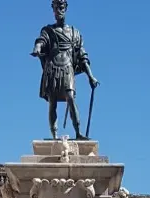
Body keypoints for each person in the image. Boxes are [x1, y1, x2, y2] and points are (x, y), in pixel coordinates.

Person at [31, 0, 100, 140]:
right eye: (56, 8)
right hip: (53, 68)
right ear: (53, 10)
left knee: (70, 97)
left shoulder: (75, 32)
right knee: (53, 101)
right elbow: (41, 41)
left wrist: (91, 76)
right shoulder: (48, 30)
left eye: (61, 7)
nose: (58, 11)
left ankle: (78, 132)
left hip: (67, 67)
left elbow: (82, 55)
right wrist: (37, 48)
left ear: (65, 8)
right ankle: (55, 135)